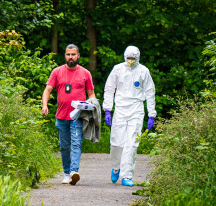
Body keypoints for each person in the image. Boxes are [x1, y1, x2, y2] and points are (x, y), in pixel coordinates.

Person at [103, 45, 156, 187]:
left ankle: (127, 175)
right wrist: (107, 109)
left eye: (133, 58)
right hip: (120, 108)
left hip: (136, 109)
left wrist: (152, 114)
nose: (130, 61)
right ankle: (116, 167)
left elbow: (150, 92)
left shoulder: (143, 71)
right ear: (125, 57)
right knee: (116, 141)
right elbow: (109, 89)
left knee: (131, 144)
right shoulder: (118, 69)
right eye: (128, 58)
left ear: (137, 58)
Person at [41, 44, 94, 185]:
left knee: (76, 144)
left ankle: (73, 172)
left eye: (73, 54)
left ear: (78, 56)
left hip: (77, 116)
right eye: (68, 54)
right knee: (64, 146)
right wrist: (45, 105)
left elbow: (91, 94)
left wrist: (91, 107)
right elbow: (47, 90)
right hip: (61, 116)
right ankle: (66, 172)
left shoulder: (85, 73)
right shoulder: (57, 72)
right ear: (65, 56)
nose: (71, 57)